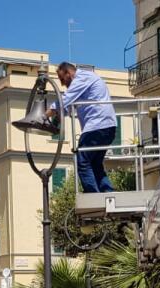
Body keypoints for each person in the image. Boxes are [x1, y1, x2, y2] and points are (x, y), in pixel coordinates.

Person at [49, 62, 118, 194]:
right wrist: (56, 120)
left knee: (83, 162)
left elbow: (64, 99)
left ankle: (93, 195)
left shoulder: (83, 78)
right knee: (95, 163)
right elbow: (67, 107)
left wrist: (46, 113)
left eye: (62, 79)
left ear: (68, 73)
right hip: (107, 127)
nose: (63, 84)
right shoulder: (81, 86)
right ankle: (107, 192)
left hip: (97, 126)